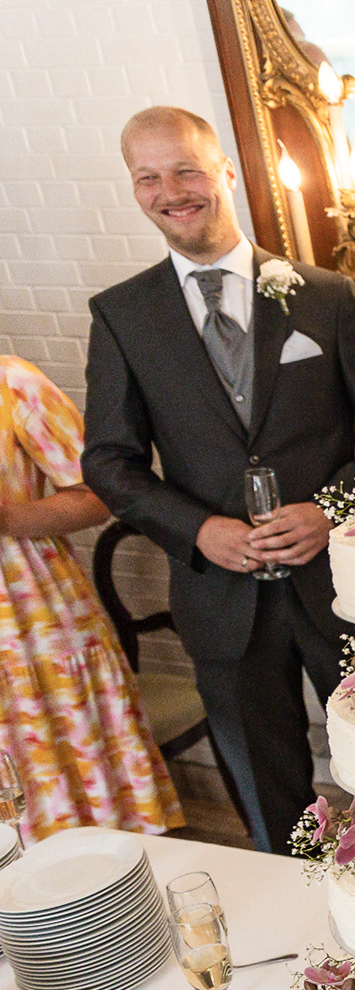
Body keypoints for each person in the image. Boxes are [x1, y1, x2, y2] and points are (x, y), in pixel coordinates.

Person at [82, 106, 355, 855]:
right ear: (133, 189)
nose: (171, 192)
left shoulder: (325, 296)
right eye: (148, 178)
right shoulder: (122, 315)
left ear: (224, 170)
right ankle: (298, 910)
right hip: (219, 600)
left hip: (344, 585)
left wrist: (332, 510)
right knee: (267, 798)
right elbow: (107, 463)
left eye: (186, 170)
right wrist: (198, 530)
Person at [1, 356, 183, 844]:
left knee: (78, 801)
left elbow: (98, 496)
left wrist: (7, 518)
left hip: (29, 621)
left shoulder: (12, 383)